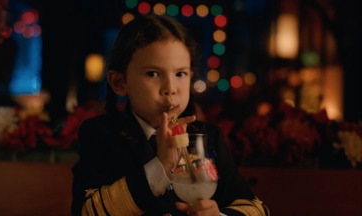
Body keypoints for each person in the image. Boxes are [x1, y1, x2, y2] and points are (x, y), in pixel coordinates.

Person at [71, 14, 269, 216]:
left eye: (180, 74)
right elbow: (87, 211)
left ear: (190, 77)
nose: (170, 88)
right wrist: (162, 166)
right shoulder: (100, 135)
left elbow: (256, 208)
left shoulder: (209, 137)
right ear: (119, 83)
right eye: (153, 74)